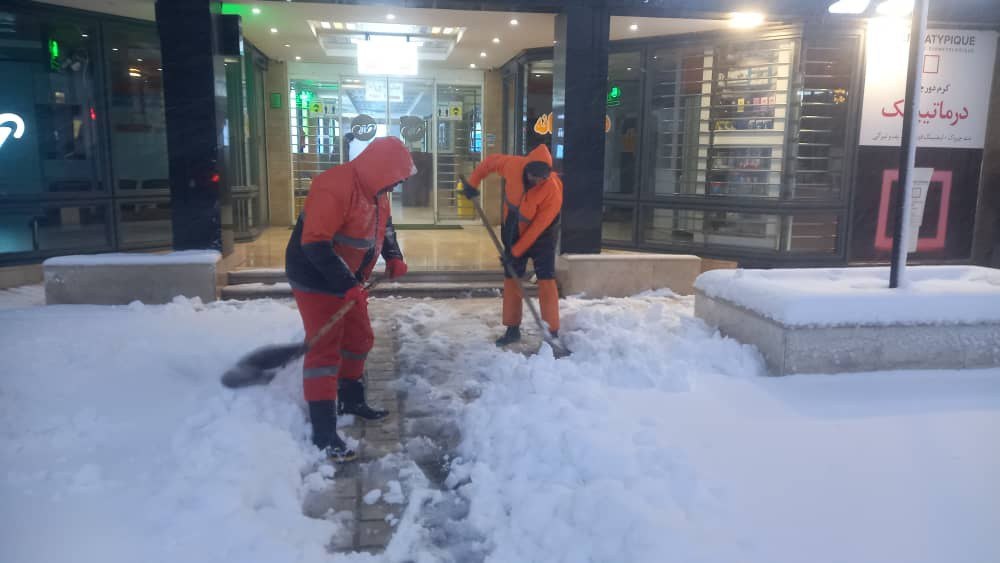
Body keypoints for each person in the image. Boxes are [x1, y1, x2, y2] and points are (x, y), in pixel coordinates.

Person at [285, 136, 414, 463]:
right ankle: (323, 433)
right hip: (314, 275)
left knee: (359, 338)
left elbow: (384, 227)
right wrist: (344, 283)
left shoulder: (377, 190)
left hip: (349, 276)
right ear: (381, 169)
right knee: (325, 349)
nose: (397, 186)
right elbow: (314, 244)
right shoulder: (334, 186)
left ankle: (350, 398)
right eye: (395, 179)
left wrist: (393, 256)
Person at [462, 145, 563, 346]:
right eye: (534, 176)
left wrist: (515, 252)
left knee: (546, 278)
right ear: (526, 168)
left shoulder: (552, 190)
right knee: (512, 278)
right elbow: (489, 163)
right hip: (513, 228)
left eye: (542, 177)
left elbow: (537, 228)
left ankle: (552, 330)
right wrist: (473, 182)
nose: (537, 181)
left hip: (542, 234)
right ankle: (512, 328)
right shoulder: (512, 165)